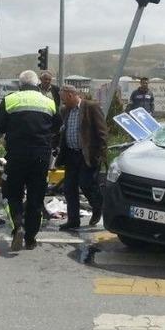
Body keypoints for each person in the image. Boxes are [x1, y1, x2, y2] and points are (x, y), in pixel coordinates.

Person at [0, 70, 61, 251]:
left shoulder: (11, 99)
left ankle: (18, 226)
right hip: (40, 155)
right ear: (37, 83)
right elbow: (56, 125)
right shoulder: (49, 101)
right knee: (36, 197)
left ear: (20, 84)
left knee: (12, 193)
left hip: (17, 154)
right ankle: (30, 238)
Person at [56, 84, 108, 231]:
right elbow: (63, 131)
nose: (63, 102)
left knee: (86, 184)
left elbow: (102, 132)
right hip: (71, 154)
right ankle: (73, 220)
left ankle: (98, 206)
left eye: (64, 98)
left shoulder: (91, 107)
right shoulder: (65, 110)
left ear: (71, 95)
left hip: (88, 155)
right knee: (69, 188)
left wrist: (100, 155)